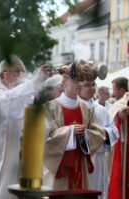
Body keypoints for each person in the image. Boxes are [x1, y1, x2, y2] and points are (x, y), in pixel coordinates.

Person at [0, 55, 52, 199]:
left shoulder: (26, 98)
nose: (21, 76)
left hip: (27, 166)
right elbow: (10, 102)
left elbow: (45, 129)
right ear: (2, 75)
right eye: (17, 71)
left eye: (23, 71)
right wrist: (34, 82)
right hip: (4, 168)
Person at [43, 61, 106, 190]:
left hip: (80, 164)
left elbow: (99, 133)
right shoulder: (50, 107)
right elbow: (45, 137)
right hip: (60, 168)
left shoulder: (87, 108)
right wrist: (70, 132)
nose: (79, 84)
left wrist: (85, 134)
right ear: (64, 83)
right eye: (75, 80)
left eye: (81, 81)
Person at [78, 80, 119, 199]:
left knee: (98, 193)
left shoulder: (101, 109)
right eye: (87, 85)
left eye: (93, 85)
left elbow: (114, 131)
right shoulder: (74, 106)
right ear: (78, 86)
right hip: (81, 160)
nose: (91, 88)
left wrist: (102, 133)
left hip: (99, 161)